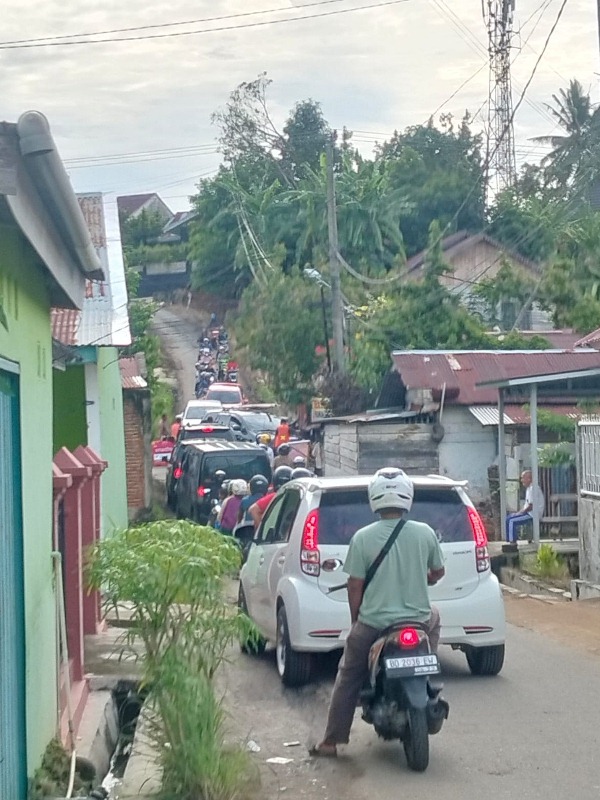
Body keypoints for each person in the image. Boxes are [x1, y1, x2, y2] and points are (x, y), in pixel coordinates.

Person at [310, 467, 445, 758]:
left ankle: (332, 741)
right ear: (408, 497)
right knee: (435, 617)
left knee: (348, 674)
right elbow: (437, 572)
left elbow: (354, 585)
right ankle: (426, 665)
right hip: (417, 620)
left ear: (374, 499)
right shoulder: (424, 533)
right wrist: (426, 578)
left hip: (375, 624)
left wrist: (357, 619)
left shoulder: (362, 537)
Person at [505, 469, 545, 543]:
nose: (521, 480)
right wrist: (519, 512)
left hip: (533, 514)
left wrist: (521, 513)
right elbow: (527, 505)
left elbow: (531, 506)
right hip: (529, 513)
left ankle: (512, 542)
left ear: (529, 479)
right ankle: (510, 539)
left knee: (511, 521)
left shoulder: (533, 488)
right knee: (509, 518)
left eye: (523, 478)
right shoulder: (529, 488)